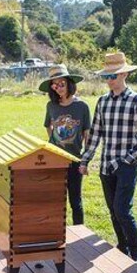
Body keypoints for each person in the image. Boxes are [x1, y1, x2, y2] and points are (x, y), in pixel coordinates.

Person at [79, 52, 137, 265]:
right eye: (107, 76)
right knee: (113, 210)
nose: (109, 80)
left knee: (122, 209)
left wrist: (129, 160)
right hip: (106, 164)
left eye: (113, 76)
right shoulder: (102, 102)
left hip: (127, 165)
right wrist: (85, 160)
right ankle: (123, 246)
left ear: (124, 75)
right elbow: (95, 133)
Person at [41, 64, 91, 225]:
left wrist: (85, 159)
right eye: (54, 85)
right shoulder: (51, 106)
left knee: (75, 200)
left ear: (69, 83)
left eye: (61, 83)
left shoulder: (82, 106)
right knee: (55, 198)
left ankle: (79, 231)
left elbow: (86, 134)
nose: (58, 88)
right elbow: (47, 125)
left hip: (75, 159)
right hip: (55, 159)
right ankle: (55, 230)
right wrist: (53, 142)